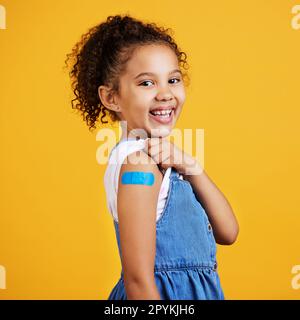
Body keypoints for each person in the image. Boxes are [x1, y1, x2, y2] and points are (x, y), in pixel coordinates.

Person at [65, 14, 239, 300]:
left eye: (173, 79)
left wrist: (190, 165)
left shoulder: (167, 161)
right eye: (147, 83)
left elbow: (229, 232)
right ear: (112, 98)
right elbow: (137, 282)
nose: (165, 94)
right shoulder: (138, 165)